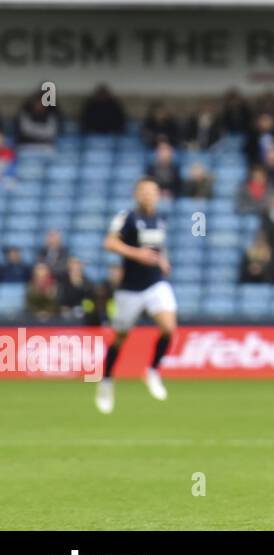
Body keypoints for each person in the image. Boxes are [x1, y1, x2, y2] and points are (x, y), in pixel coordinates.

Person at [96, 177, 178, 414]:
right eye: (143, 192)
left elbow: (157, 248)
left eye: (152, 191)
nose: (148, 195)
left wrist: (162, 260)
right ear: (136, 195)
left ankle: (152, 370)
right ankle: (107, 380)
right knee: (120, 337)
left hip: (155, 284)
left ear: (158, 195)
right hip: (130, 288)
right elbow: (109, 243)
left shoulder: (160, 220)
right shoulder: (126, 217)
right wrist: (136, 254)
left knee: (169, 328)